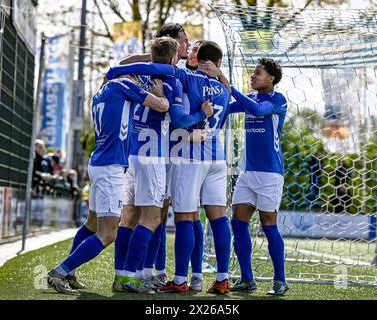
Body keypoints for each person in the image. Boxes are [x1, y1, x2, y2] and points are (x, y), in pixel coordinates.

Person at [106, 41, 233, 295]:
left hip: (188, 156)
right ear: (218, 63)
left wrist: (114, 73)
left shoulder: (185, 77)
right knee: (218, 218)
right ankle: (221, 278)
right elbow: (233, 96)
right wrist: (220, 75)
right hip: (218, 159)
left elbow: (177, 114)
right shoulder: (223, 89)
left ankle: (178, 279)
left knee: (185, 217)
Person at [45, 74, 170, 295]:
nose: (141, 84)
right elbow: (161, 105)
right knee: (109, 233)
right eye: (138, 79)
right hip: (111, 167)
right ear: (129, 76)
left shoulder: (101, 92)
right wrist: (160, 95)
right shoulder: (123, 85)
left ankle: (69, 274)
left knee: (91, 224)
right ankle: (59, 272)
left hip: (99, 162)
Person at [202, 58, 289, 295]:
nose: (253, 76)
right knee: (238, 222)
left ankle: (280, 280)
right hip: (248, 173)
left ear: (271, 78)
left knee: (269, 226)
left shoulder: (277, 100)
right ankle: (247, 278)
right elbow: (226, 108)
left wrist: (227, 84)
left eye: (258, 73)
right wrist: (210, 97)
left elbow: (259, 111)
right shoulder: (250, 99)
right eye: (253, 73)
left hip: (270, 174)